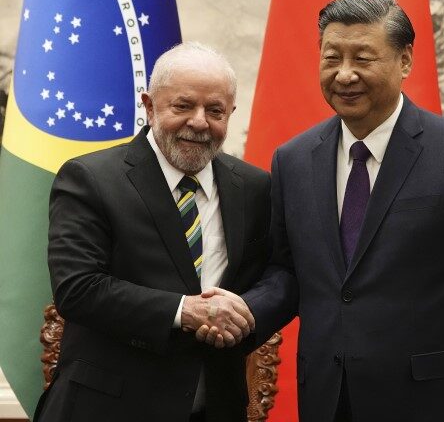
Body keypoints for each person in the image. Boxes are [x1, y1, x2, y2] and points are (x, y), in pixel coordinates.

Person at [202, 0, 444, 422]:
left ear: (405, 60)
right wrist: (243, 313)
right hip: (327, 397)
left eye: (363, 58)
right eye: (331, 57)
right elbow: (289, 271)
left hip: (434, 401)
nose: (344, 74)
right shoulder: (294, 159)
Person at [34, 42, 269, 422]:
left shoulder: (255, 188)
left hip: (216, 408)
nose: (199, 121)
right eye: (182, 106)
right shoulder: (90, 178)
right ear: (148, 105)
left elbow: (278, 276)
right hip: (108, 408)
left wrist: (244, 314)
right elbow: (77, 288)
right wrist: (184, 311)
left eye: (215, 111)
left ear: (231, 114)